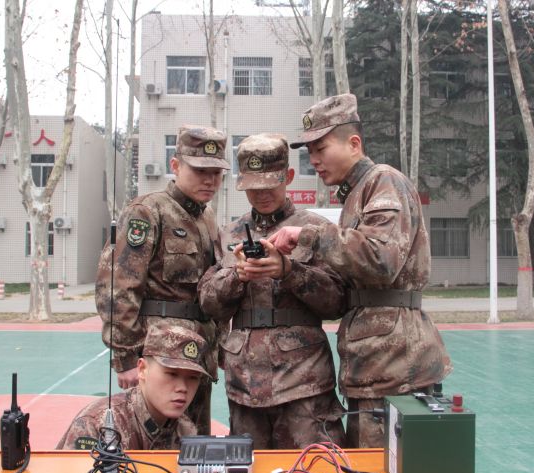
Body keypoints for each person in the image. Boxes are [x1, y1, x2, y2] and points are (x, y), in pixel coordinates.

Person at [268, 94, 453, 448]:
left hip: (395, 368)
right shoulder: (356, 194)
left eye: (321, 148)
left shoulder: (383, 181)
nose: (314, 160)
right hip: (374, 365)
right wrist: (289, 269)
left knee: (389, 466)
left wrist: (310, 234)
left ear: (354, 144)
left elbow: (381, 260)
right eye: (310, 152)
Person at [198, 133, 347, 450]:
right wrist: (237, 276)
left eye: (270, 184)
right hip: (245, 384)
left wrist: (289, 271)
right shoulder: (229, 234)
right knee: (248, 467)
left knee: (314, 466)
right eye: (253, 187)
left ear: (288, 176)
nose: (262, 194)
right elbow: (209, 303)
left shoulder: (313, 229)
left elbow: (337, 301)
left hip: (303, 381)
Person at [95, 124, 228, 435]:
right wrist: (126, 357)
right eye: (200, 170)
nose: (209, 180)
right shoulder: (147, 212)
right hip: (159, 358)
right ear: (176, 165)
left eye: (216, 172)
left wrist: (220, 347)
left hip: (197, 356)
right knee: (152, 442)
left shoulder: (207, 219)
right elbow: (117, 286)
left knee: (194, 442)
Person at [56, 325, 209, 450]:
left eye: (193, 377)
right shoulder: (99, 425)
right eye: (172, 374)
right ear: (142, 369)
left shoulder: (185, 429)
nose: (182, 387)